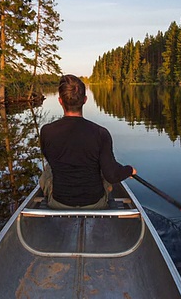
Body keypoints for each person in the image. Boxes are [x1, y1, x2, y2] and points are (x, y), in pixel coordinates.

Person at [39, 74, 136, 209]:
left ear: (60, 101)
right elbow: (112, 175)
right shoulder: (101, 133)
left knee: (47, 170)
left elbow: (49, 157)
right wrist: (129, 170)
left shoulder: (46, 131)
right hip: (95, 203)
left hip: (58, 202)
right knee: (103, 169)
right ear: (85, 100)